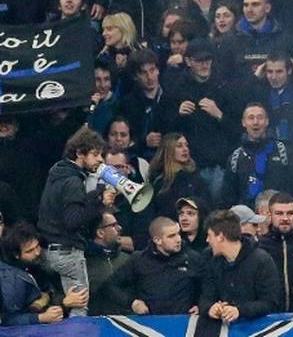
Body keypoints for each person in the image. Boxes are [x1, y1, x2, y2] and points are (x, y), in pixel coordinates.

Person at [37, 129, 111, 317]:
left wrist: (95, 199)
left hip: (47, 252)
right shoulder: (73, 181)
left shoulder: (57, 174)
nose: (100, 159)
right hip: (68, 254)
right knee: (79, 308)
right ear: (79, 153)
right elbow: (73, 220)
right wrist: (99, 201)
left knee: (57, 306)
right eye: (95, 154)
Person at [198, 209, 282, 323]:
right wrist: (210, 308)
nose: (207, 240)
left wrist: (240, 311)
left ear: (221, 237)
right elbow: (205, 298)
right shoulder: (213, 262)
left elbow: (270, 302)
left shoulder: (261, 260)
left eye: (209, 235)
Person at [109, 217, 201, 316]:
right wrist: (132, 303)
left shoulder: (193, 258)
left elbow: (207, 288)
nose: (178, 239)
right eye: (171, 236)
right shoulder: (138, 260)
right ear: (157, 240)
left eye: (178, 234)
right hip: (149, 326)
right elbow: (110, 286)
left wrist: (200, 305)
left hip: (184, 324)